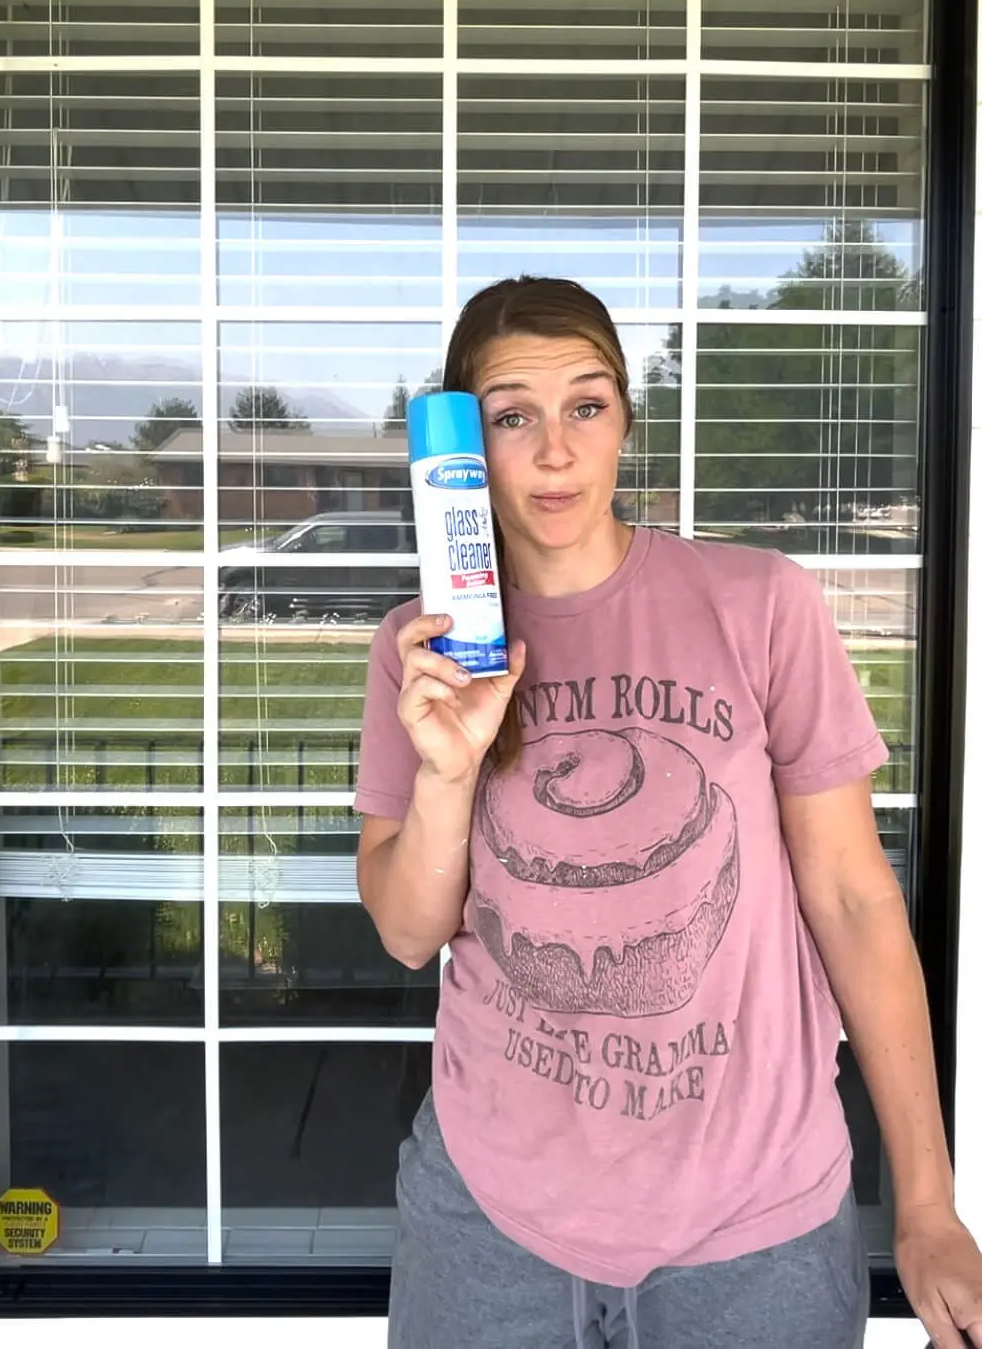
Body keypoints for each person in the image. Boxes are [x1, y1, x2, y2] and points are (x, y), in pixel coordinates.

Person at [354, 276, 982, 1349]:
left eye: (585, 406)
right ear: (463, 441)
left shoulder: (758, 603)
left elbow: (851, 898)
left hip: (757, 1219)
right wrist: (450, 768)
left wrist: (925, 1205)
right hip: (491, 1215)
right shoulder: (420, 648)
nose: (554, 450)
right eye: (512, 415)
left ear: (625, 424)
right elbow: (411, 932)